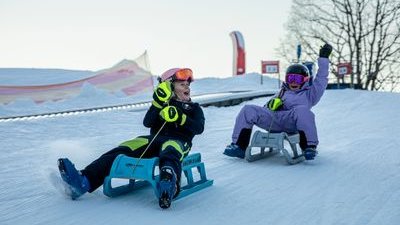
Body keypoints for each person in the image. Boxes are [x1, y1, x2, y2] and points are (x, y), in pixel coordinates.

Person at [57, 68, 205, 208]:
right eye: (181, 84)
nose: (187, 87)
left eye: (187, 85)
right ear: (169, 88)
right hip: (153, 140)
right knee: (124, 148)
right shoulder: (161, 105)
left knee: (170, 150)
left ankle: (168, 183)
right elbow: (148, 122)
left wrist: (181, 117)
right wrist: (158, 104)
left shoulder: (194, 108)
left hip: (179, 142)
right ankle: (84, 181)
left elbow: (199, 128)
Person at [223, 43, 333, 160]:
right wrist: (270, 106)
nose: (293, 82)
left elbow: (321, 79)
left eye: (297, 79)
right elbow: (266, 109)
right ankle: (238, 146)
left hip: (293, 123)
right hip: (274, 121)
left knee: (302, 110)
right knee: (248, 109)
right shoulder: (282, 92)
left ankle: (309, 147)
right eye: (290, 78)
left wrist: (324, 59)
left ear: (305, 80)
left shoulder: (310, 94)